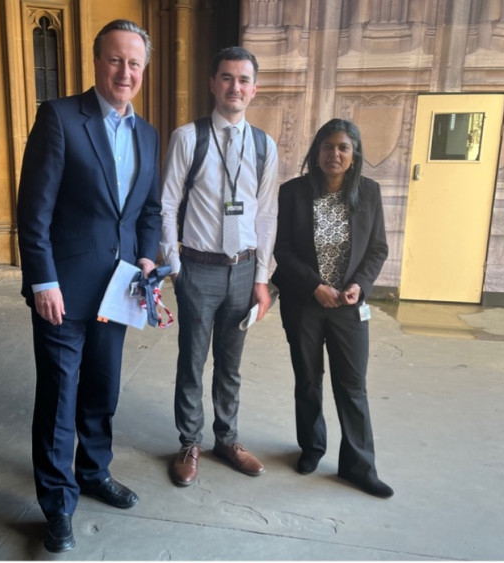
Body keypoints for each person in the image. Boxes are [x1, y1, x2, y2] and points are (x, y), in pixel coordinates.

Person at [16, 19, 162, 552]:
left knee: (103, 388)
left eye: (135, 64)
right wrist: (42, 280)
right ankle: (57, 505)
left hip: (120, 289)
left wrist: (147, 260)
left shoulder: (147, 134)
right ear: (97, 62)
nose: (126, 72)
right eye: (116, 60)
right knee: (60, 396)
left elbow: (148, 211)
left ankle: (93, 471)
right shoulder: (59, 119)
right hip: (63, 291)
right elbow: (34, 211)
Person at [160, 47, 279, 487]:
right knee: (192, 360)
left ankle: (226, 439)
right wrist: (174, 265)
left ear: (254, 88)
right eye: (227, 78)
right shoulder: (188, 138)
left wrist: (262, 278)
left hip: (245, 270)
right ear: (213, 83)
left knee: (231, 363)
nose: (235, 87)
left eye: (244, 80)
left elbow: (266, 215)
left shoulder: (265, 145)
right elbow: (168, 202)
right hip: (198, 268)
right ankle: (189, 442)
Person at [272, 118, 393, 498]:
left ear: (354, 155)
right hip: (305, 305)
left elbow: (377, 250)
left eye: (343, 147)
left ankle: (359, 466)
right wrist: (314, 286)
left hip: (348, 308)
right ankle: (312, 447)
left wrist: (360, 285)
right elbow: (282, 250)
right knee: (308, 381)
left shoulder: (369, 194)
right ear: (316, 151)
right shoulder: (292, 192)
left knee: (352, 386)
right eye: (327, 146)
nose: (334, 154)